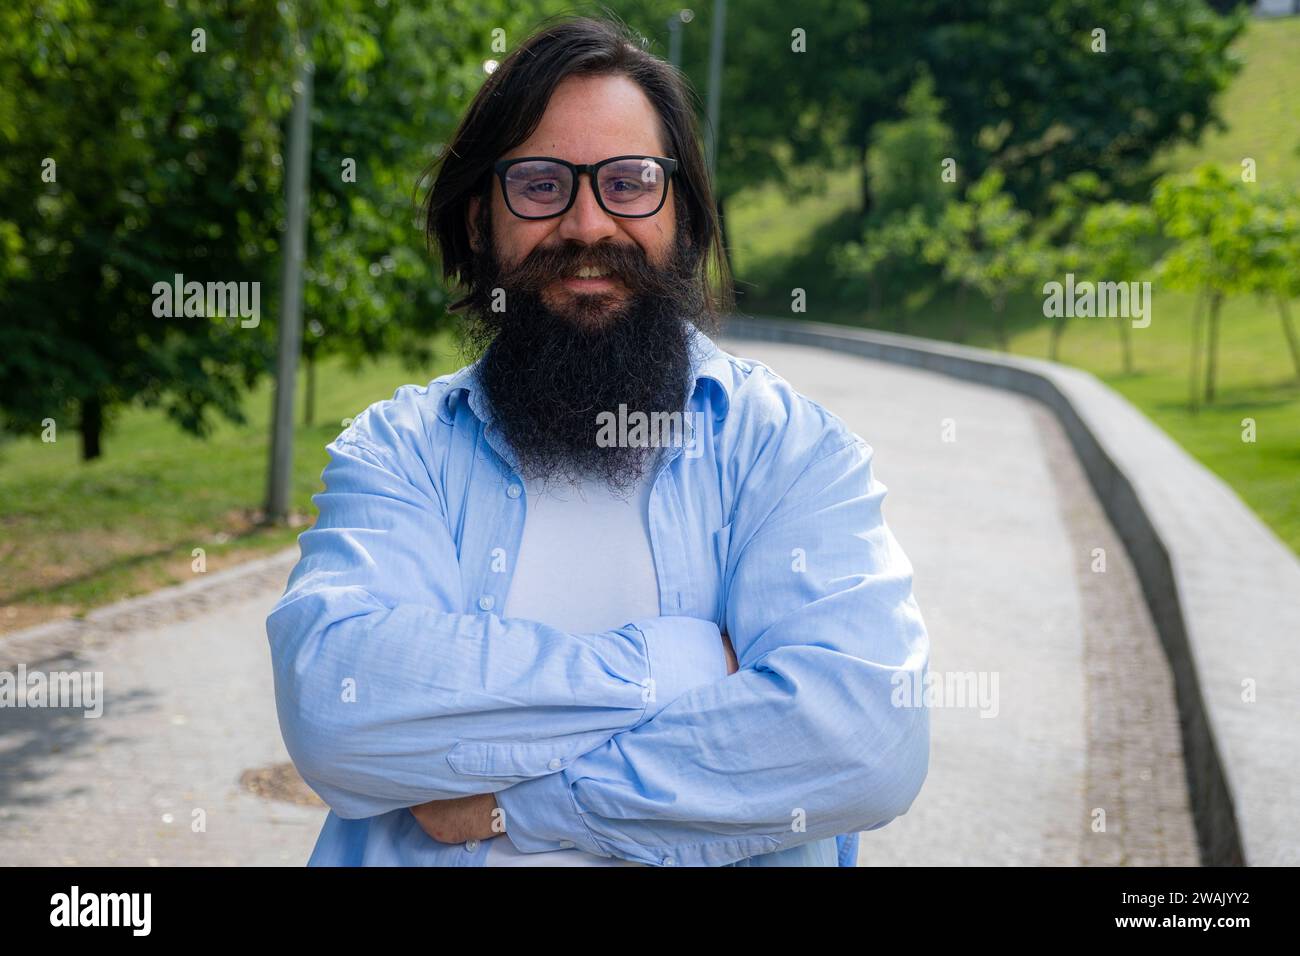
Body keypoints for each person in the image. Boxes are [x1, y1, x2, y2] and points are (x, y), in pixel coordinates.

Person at [266, 14, 930, 867]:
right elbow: (336, 708)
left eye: (628, 182)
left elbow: (866, 742)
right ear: (480, 222)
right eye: (541, 185)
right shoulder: (399, 454)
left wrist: (525, 808)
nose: (587, 224)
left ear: (683, 215)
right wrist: (681, 663)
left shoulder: (791, 454)